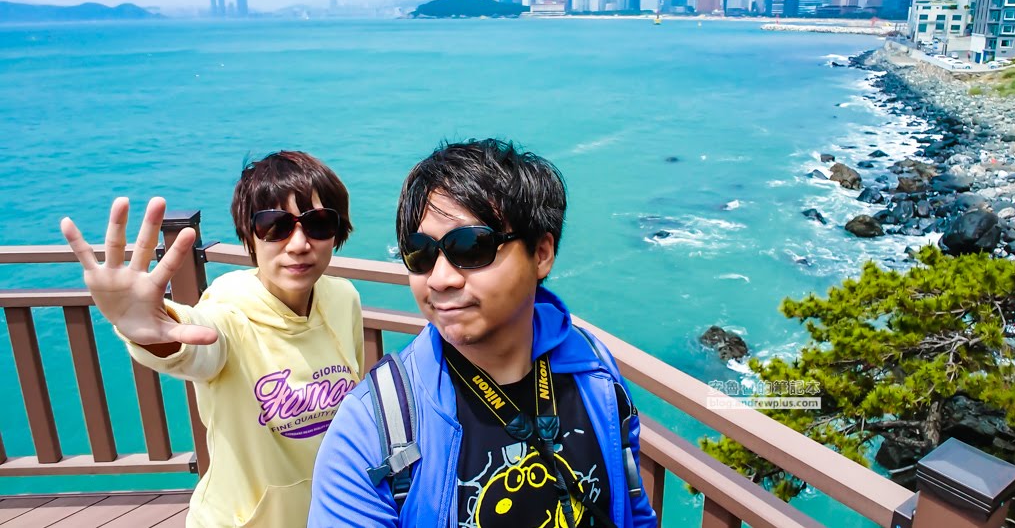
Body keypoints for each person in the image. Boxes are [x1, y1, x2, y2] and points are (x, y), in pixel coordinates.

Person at [308, 139, 657, 527]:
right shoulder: (371, 429)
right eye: (420, 252)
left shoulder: (593, 369)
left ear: (541, 254)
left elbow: (633, 509)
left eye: (471, 246)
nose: (439, 279)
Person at [60, 151, 364, 528]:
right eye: (275, 226)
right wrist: (151, 330)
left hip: (329, 515)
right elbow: (198, 346)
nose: (299, 244)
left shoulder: (343, 299)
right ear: (249, 235)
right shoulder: (229, 312)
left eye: (318, 223)